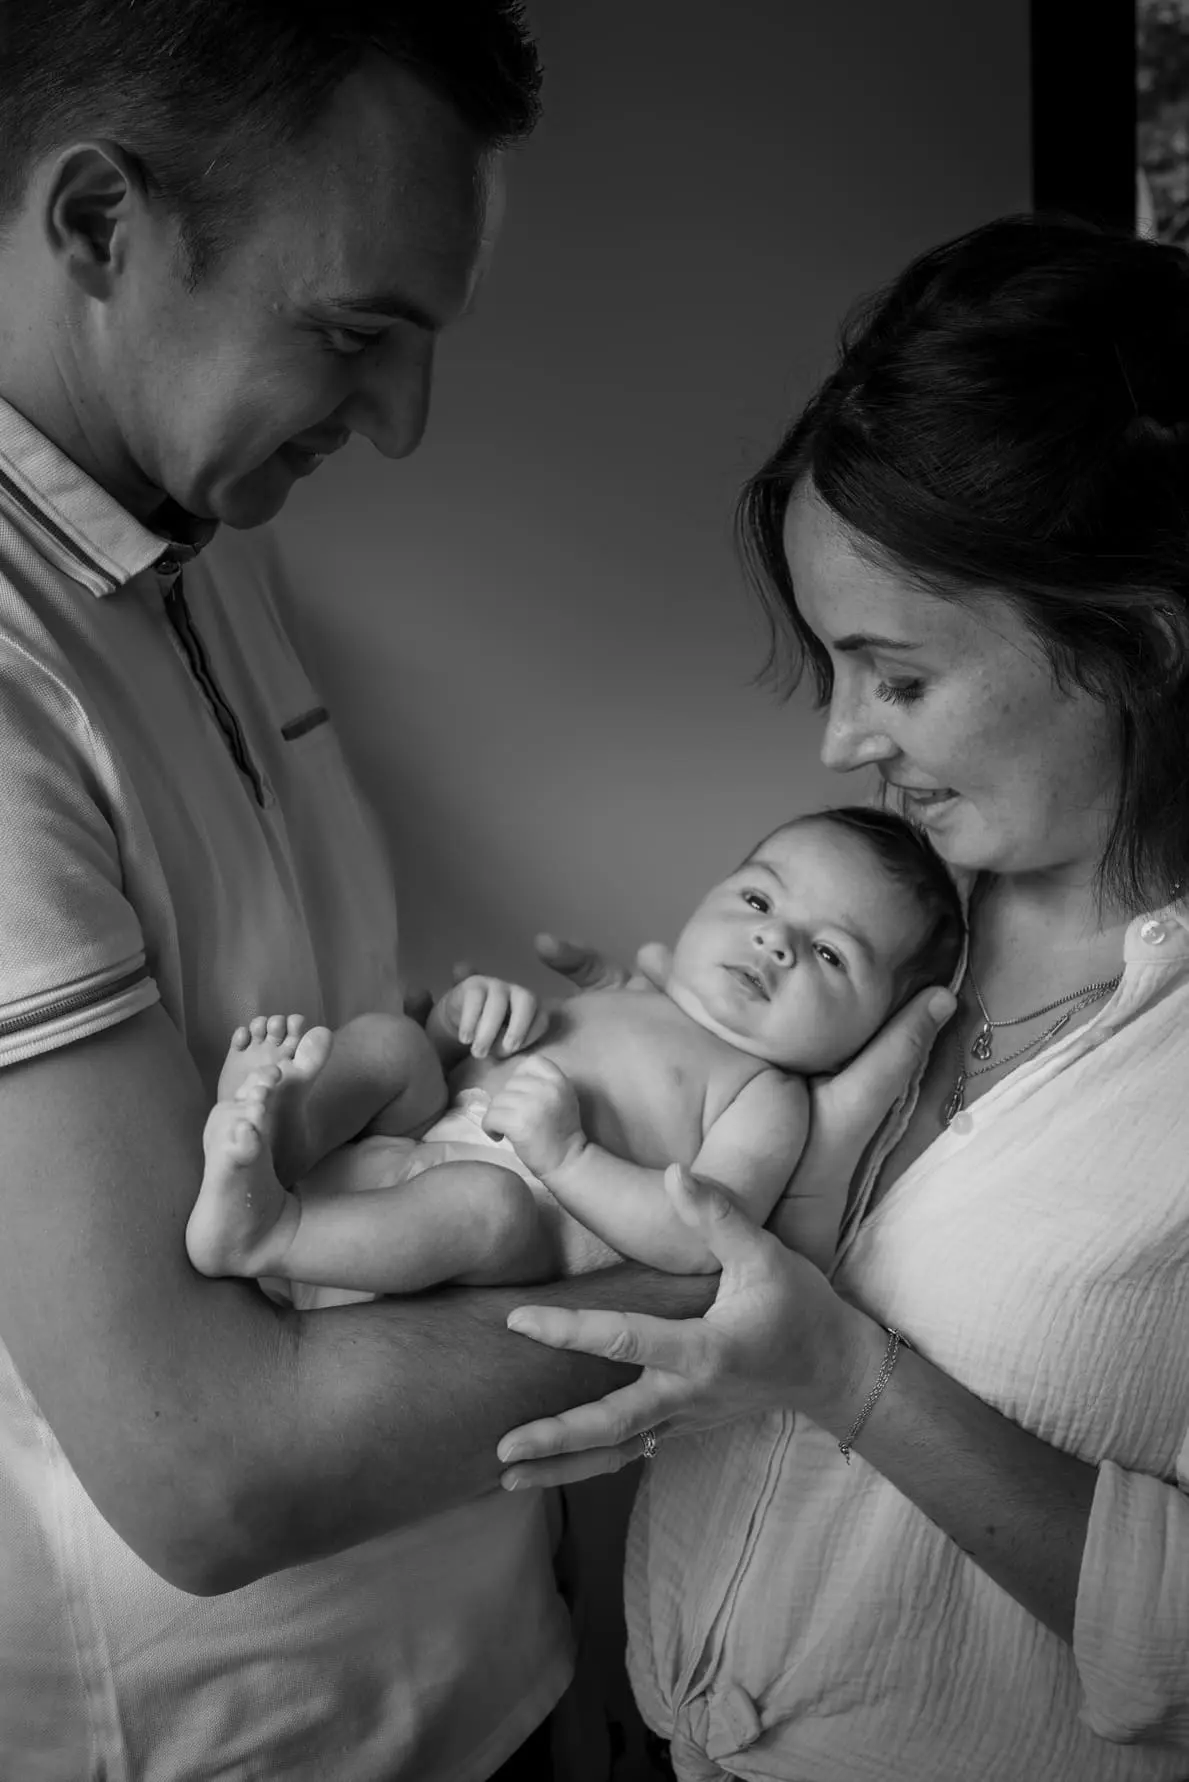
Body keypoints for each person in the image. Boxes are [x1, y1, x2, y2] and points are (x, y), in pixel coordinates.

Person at [0, 6, 763, 1777]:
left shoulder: (205, 538)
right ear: (100, 225)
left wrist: (557, 1059)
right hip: (241, 1739)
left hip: (486, 1659)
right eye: (354, 333)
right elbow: (209, 1464)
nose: (403, 423)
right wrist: (780, 1280)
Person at [488, 214, 1189, 1781]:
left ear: (1137, 644)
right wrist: (641, 1064)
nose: (839, 743)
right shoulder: (895, 920)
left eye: (900, 677)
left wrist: (843, 1377)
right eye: (831, 667)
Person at [185, 808, 965, 1295]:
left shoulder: (768, 1095)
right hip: (401, 1145)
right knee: (395, 1045)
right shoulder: (624, 997)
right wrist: (466, 1018)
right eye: (759, 899)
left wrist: (568, 1156)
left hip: (484, 1224)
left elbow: (701, 1237)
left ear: (868, 1034)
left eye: (830, 954)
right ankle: (280, 1133)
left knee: (487, 1204)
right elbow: (453, 1070)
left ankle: (265, 1235)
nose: (775, 939)